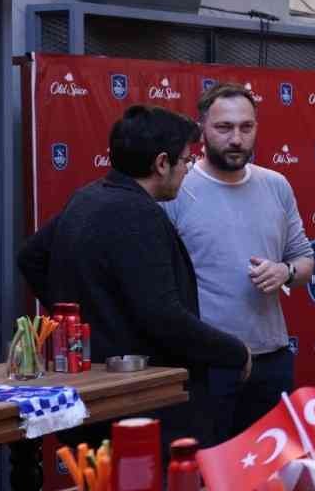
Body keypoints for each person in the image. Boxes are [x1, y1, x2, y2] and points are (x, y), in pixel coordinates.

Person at [17, 105, 250, 448]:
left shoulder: (88, 197)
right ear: (160, 164)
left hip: (98, 394)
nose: (188, 170)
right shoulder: (139, 214)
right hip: (148, 404)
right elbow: (164, 317)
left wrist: (83, 322)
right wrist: (236, 352)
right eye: (185, 161)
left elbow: (30, 257)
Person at [163, 83, 314, 443]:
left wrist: (285, 272)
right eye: (224, 128)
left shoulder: (276, 185)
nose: (236, 138)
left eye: (246, 128)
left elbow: (305, 259)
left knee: (271, 486)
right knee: (208, 482)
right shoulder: (176, 189)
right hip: (206, 365)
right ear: (202, 131)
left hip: (271, 360)